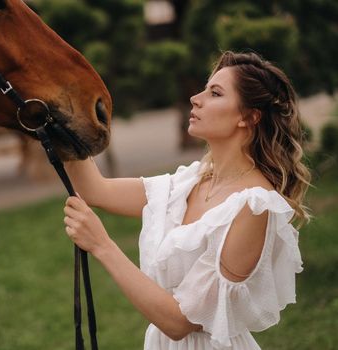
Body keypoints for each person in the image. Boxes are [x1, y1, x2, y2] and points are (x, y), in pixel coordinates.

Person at [62, 51, 311, 349]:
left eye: (215, 93)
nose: (196, 98)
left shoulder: (254, 206)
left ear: (248, 117)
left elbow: (180, 322)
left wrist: (102, 245)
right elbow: (95, 191)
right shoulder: (188, 182)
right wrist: (62, 120)